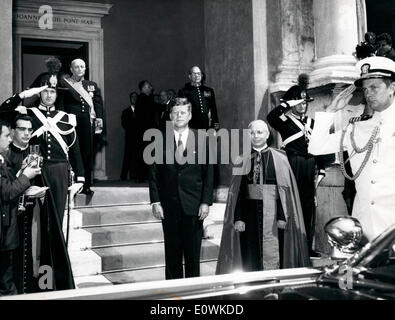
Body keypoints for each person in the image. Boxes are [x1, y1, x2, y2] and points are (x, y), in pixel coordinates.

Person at [308, 56, 395, 242]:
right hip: (365, 227)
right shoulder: (358, 127)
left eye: (374, 87)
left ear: (392, 88)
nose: (368, 93)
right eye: (365, 89)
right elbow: (316, 147)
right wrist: (331, 111)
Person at [216, 120, 310, 274]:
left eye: (260, 132)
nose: (256, 136)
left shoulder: (281, 158)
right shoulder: (241, 159)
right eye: (252, 133)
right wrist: (238, 218)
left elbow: (284, 192)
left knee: (275, 254)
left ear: (267, 135)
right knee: (250, 255)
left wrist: (282, 216)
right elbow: (237, 193)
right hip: (249, 215)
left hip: (274, 216)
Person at [149, 97, 213, 279]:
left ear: (190, 115)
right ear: (170, 115)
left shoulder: (202, 139)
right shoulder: (159, 139)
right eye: (175, 112)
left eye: (183, 112)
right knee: (172, 256)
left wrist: (206, 202)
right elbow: (153, 174)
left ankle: (193, 295)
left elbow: (209, 173)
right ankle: (173, 296)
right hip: (168, 206)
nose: (179, 116)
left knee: (193, 257)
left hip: (194, 206)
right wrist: (155, 201)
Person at [267, 74, 326, 257]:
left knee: (308, 207)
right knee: (291, 206)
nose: (303, 105)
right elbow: (271, 116)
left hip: (309, 165)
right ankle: (289, 247)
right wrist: (288, 103)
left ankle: (307, 247)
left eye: (305, 102)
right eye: (300, 102)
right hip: (292, 164)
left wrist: (321, 168)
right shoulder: (284, 121)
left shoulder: (312, 123)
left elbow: (321, 146)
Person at [0, 120, 41, 296]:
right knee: (6, 281)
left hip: (7, 229)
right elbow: (7, 192)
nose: (9, 140)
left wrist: (20, 173)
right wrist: (25, 175)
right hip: (4, 228)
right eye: (6, 135)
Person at [60, 58, 104, 194]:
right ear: (71, 69)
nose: (79, 69)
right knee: (72, 152)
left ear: (85, 69)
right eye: (76, 67)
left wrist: (100, 118)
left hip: (87, 123)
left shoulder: (92, 85)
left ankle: (86, 184)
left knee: (87, 152)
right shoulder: (65, 83)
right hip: (71, 122)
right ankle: (72, 183)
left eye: (82, 67)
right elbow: (61, 104)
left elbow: (97, 103)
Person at [178, 66, 219, 130]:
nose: (197, 76)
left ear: (202, 75)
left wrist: (215, 126)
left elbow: (213, 109)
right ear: (190, 76)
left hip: (206, 125)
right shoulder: (184, 91)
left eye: (199, 73)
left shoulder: (208, 90)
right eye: (194, 74)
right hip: (191, 125)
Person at [135, 80, 159, 182]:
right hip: (146, 132)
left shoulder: (142, 99)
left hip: (144, 131)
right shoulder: (144, 99)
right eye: (149, 86)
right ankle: (143, 176)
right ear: (144, 88)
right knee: (146, 154)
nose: (151, 88)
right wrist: (167, 105)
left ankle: (142, 176)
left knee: (144, 153)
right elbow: (154, 108)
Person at [120, 92, 139, 181]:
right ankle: (123, 176)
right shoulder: (125, 112)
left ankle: (135, 176)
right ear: (130, 99)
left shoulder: (141, 111)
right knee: (127, 156)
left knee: (137, 157)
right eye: (132, 97)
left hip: (139, 138)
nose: (134, 99)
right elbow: (124, 124)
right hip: (129, 138)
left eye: (136, 97)